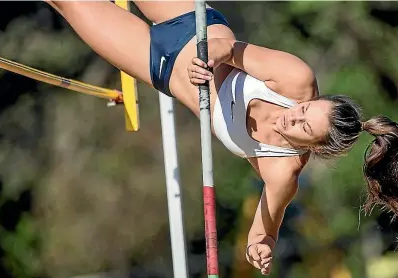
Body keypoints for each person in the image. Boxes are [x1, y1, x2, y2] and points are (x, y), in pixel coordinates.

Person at [45, 1, 398, 275]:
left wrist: (260, 246)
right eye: (306, 110)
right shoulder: (297, 79)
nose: (294, 115)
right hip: (190, 23)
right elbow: (231, 50)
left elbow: (264, 231)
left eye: (303, 128)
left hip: (160, 67)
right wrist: (211, 55)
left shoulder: (281, 174)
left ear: (314, 147)